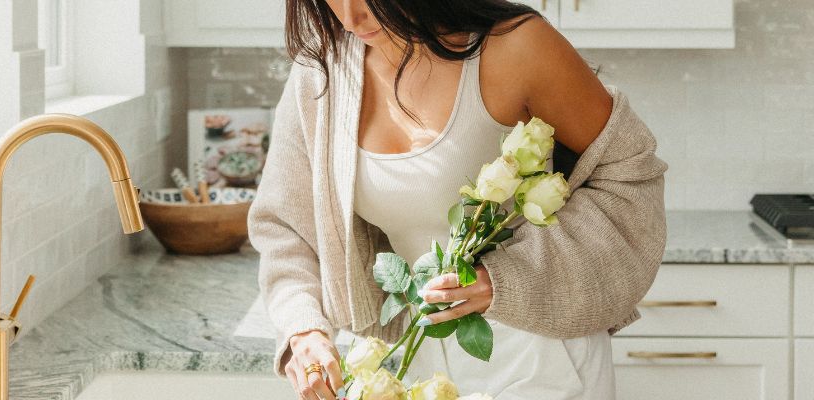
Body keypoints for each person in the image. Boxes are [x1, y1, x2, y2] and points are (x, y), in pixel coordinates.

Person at [248, 1, 668, 399]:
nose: (353, 15)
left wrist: (507, 279)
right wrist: (302, 328)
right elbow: (285, 227)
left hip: (539, 355)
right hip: (412, 364)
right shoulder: (322, 73)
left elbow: (630, 176)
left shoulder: (517, 46)